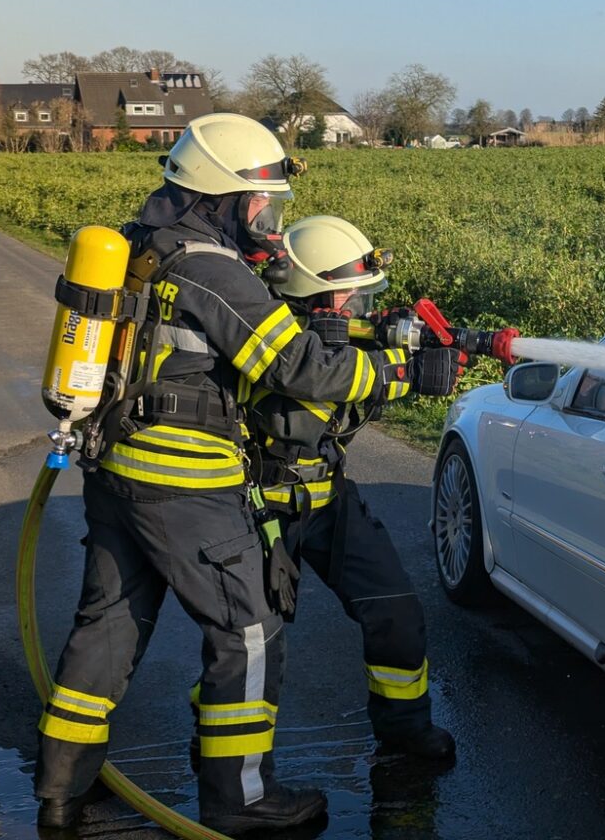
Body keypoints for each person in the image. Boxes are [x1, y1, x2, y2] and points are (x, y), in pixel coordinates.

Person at [33, 113, 460, 836]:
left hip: (118, 469)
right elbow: (297, 366)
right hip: (182, 481)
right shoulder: (210, 267)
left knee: (108, 627)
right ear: (221, 197)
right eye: (260, 203)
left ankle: (60, 791)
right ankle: (242, 801)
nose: (268, 219)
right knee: (248, 632)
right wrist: (401, 375)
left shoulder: (144, 247)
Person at [246, 215, 456, 759]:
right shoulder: (271, 340)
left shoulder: (333, 342)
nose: (361, 312)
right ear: (316, 297)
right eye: (351, 300)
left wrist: (426, 363)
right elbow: (300, 411)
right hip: (257, 509)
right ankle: (230, 758)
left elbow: (352, 395)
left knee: (396, 609)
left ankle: (405, 730)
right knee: (251, 644)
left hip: (328, 499)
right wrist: (397, 371)